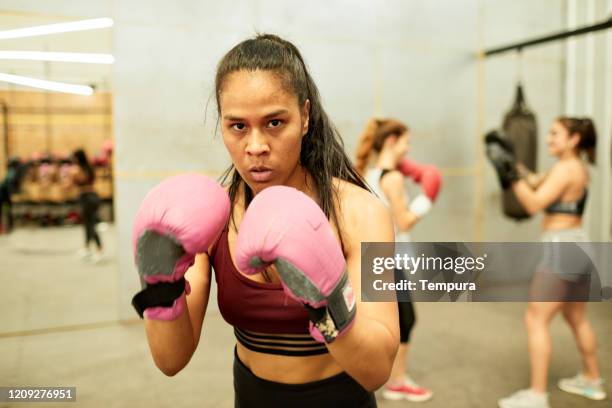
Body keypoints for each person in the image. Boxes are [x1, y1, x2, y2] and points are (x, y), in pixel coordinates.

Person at [131, 34, 400, 407]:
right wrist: (160, 281)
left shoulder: (359, 212)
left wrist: (328, 303)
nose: (255, 146)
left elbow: (377, 370)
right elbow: (170, 360)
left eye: (275, 122)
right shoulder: (213, 218)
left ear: (305, 117)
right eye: (237, 126)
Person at [488, 117, 607, 408]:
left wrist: (507, 174)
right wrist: (513, 164)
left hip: (562, 249)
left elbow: (532, 204)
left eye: (555, 134)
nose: (548, 139)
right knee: (576, 317)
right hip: (578, 245)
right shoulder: (574, 167)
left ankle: (537, 395)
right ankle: (592, 380)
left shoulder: (566, 169)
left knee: (535, 318)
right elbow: (536, 181)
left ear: (574, 139)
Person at [355, 118, 440, 402]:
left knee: (381, 320)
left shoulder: (369, 172)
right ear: (391, 141)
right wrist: (427, 198)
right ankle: (397, 380)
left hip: (372, 257)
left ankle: (378, 375)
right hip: (388, 260)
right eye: (406, 141)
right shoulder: (392, 178)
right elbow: (403, 222)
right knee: (405, 320)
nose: (409, 147)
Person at [72, 149, 103, 263]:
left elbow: (79, 180)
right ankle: (87, 247)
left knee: (90, 225)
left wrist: (73, 175)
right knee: (88, 224)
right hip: (90, 197)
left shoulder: (81, 170)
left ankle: (99, 249)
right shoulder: (88, 168)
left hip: (87, 198)